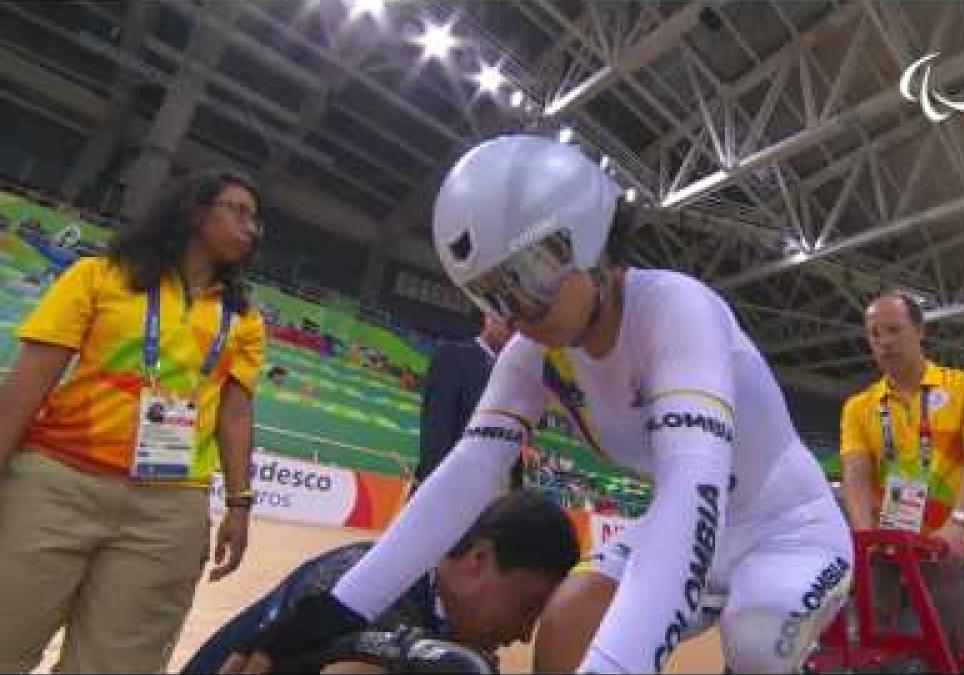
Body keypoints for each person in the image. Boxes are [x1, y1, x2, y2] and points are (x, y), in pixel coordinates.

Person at [220, 135, 852, 674]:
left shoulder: (675, 309)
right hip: (698, 523)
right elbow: (466, 476)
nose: (516, 311)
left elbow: (693, 489)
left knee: (758, 634)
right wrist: (323, 617)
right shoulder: (534, 351)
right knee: (567, 619)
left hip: (788, 528)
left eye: (525, 276)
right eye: (493, 295)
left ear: (589, 240)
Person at [0, 168, 266, 672]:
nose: (251, 228)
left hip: (170, 512)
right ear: (194, 210)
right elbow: (29, 383)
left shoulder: (245, 320)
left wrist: (239, 505)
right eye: (238, 211)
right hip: (57, 483)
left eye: (257, 220)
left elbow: (235, 416)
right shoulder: (98, 276)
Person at [194, 490, 579, 674]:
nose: (526, 634)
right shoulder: (355, 581)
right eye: (529, 607)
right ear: (479, 559)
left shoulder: (439, 615)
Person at [838, 292, 964, 656]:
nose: (884, 342)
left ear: (919, 331)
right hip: (895, 556)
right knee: (882, 655)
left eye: (894, 330)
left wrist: (958, 523)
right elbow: (855, 478)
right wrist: (864, 539)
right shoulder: (859, 407)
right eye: (875, 334)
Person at [414, 314, 520, 493]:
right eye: (509, 325)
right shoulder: (452, 356)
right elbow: (437, 428)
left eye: (519, 329)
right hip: (450, 486)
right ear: (489, 317)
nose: (513, 333)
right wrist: (436, 487)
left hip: (495, 496)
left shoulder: (518, 375)